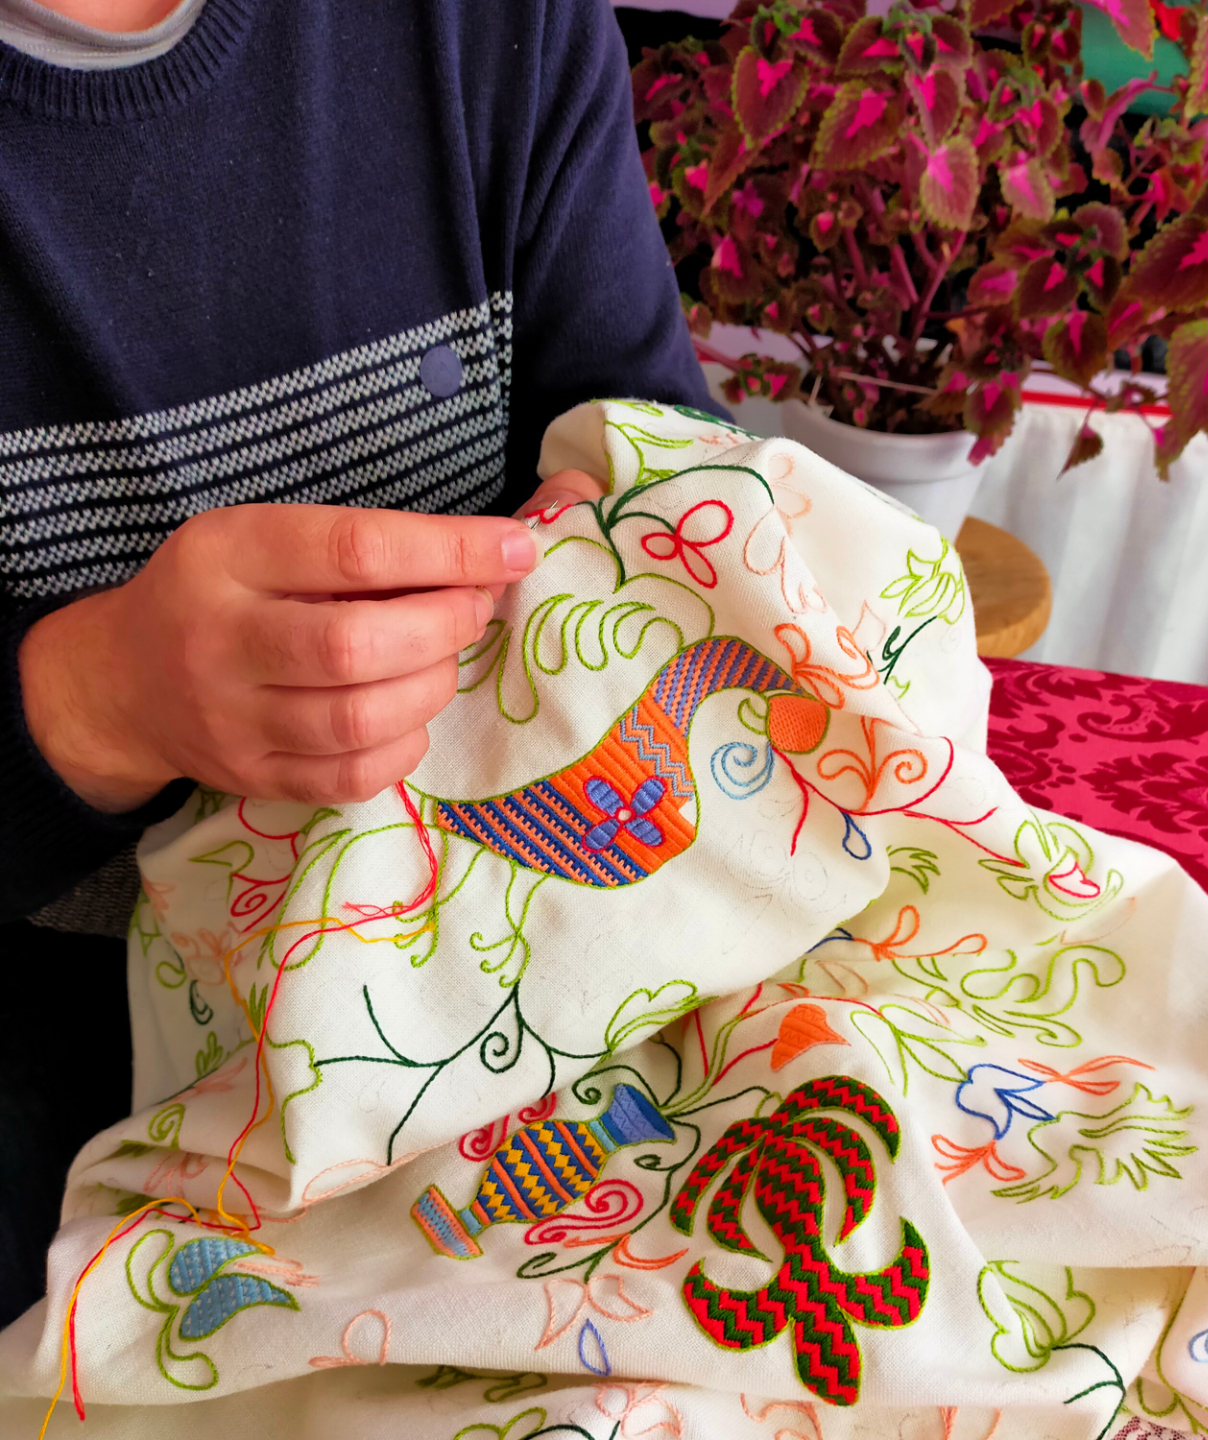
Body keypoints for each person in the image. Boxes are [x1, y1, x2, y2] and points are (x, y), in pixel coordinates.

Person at [0, 0, 720, 1325]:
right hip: (61, 1174)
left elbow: (654, 442)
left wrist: (633, 530)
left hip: (524, 1065)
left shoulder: (497, 31)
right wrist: (90, 704)